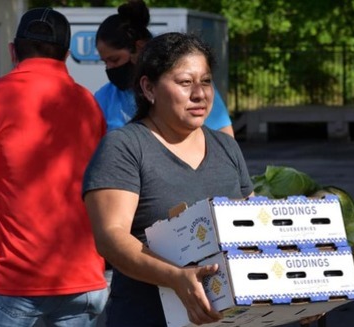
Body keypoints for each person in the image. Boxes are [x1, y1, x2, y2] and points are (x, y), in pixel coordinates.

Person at [0, 8, 108, 326]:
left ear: (13, 50)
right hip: (86, 280)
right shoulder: (89, 105)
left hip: (17, 281)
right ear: (66, 55)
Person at [83, 32, 254, 327]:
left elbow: (252, 227)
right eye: (185, 83)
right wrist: (175, 277)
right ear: (149, 88)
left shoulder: (227, 147)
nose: (199, 93)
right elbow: (110, 237)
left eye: (206, 81)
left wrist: (292, 293)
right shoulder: (124, 147)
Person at [94, 0, 235, 137]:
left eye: (114, 60)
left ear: (139, 47)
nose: (110, 68)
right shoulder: (105, 97)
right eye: (105, 62)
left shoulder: (189, 88)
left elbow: (224, 137)